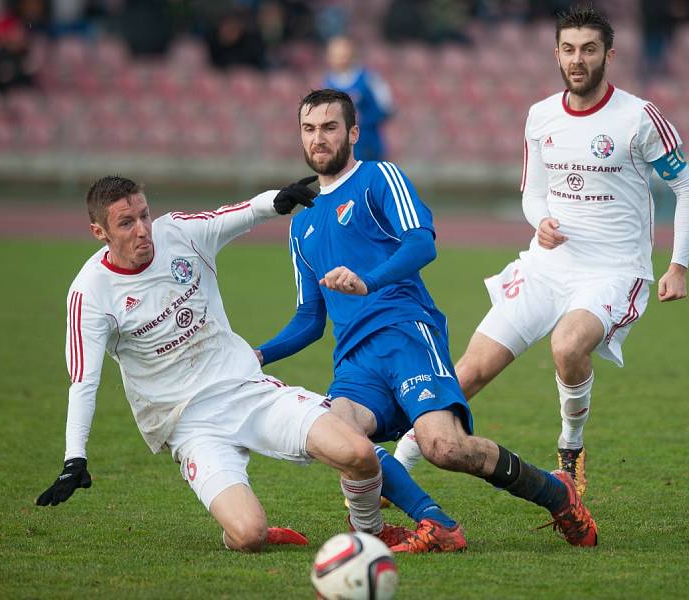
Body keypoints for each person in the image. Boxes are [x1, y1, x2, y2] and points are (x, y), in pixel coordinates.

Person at [256, 88, 598, 550]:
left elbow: (421, 243)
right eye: (309, 128)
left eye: (330, 127)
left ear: (353, 132)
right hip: (354, 361)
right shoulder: (301, 225)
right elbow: (309, 319)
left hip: (405, 332)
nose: (319, 138)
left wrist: (368, 281)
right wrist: (257, 354)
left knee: (445, 449)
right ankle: (436, 523)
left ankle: (559, 495)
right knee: (338, 436)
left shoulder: (379, 177)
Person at [394, 4, 689, 499]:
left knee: (566, 345)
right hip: (545, 266)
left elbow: (687, 190)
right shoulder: (540, 116)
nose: (577, 59)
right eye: (568, 49)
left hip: (614, 270)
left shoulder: (640, 117)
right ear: (556, 55)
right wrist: (541, 221)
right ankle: (398, 467)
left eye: (588, 49)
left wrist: (678, 265)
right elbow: (532, 192)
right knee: (468, 372)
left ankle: (570, 447)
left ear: (609, 55)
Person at [34, 175, 412, 553]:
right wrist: (74, 458)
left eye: (145, 215)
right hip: (189, 425)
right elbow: (83, 381)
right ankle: (244, 527)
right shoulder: (90, 293)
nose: (143, 230)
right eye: (126, 223)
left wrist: (276, 202)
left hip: (247, 390)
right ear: (99, 231)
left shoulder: (179, 233)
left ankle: (370, 531)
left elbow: (234, 215)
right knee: (249, 536)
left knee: (359, 454)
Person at [323, 36, 393, 162]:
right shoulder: (327, 84)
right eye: (336, 55)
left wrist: (364, 119)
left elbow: (387, 108)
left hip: (368, 146)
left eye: (343, 54)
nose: (340, 59)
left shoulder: (369, 79)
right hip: (341, 149)